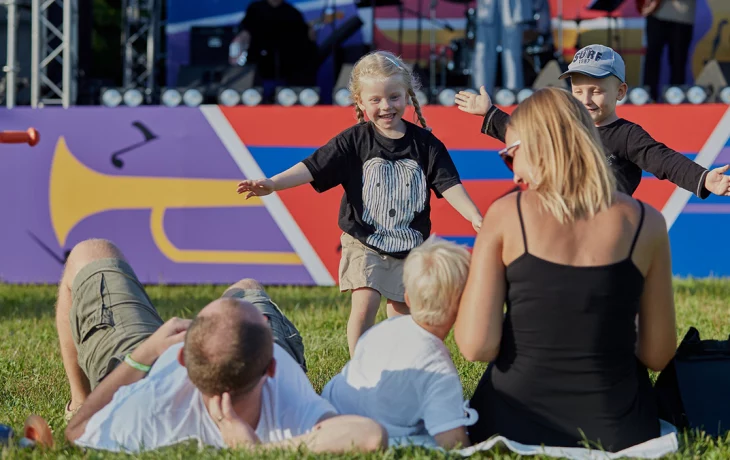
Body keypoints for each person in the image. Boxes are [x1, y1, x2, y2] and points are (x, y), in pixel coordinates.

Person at [453, 87, 678, 451]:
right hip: (621, 427)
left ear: (541, 147)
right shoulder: (645, 222)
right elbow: (658, 354)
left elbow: (476, 345)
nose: (513, 176)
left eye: (511, 156)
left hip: (512, 420)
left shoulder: (507, 214)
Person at [237, 51, 483, 357]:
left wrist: (473, 214)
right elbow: (313, 167)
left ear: (407, 95)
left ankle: (397, 366)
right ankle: (359, 365)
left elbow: (449, 184)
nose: (386, 106)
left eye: (394, 97)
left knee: (403, 314)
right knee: (365, 301)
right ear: (360, 101)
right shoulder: (353, 141)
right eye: (376, 100)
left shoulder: (426, 144)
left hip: (410, 247)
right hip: (363, 241)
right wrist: (272, 183)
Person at [57, 238, 387, 453]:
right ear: (272, 367)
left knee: (90, 252)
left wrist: (145, 353)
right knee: (245, 287)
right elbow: (370, 435)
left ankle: (77, 396)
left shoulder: (145, 408)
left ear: (183, 356)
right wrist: (255, 450)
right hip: (243, 373)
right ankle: (242, 299)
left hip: (148, 365)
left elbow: (77, 429)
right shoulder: (285, 392)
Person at [455, 44, 730, 198]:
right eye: (577, 91)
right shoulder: (562, 127)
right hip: (563, 224)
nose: (586, 99)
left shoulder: (627, 135)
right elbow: (524, 134)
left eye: (596, 91)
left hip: (610, 228)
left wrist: (705, 179)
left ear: (620, 92)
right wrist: (490, 114)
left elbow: (664, 160)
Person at [321, 236, 477, 449]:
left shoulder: (379, 332)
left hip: (329, 410)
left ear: (408, 298)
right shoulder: (437, 369)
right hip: (370, 432)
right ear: (462, 308)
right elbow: (452, 441)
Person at [229, 0, 319, 92]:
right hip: (259, 64)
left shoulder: (292, 12)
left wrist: (309, 32)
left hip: (286, 68)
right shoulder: (256, 9)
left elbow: (304, 38)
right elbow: (245, 32)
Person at [470, 0, 533, 94]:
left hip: (512, 5)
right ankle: (481, 94)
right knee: (483, 53)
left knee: (512, 54)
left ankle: (512, 95)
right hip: (487, 6)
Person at [640, 0, 697, 102]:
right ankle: (646, 99)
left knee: (678, 61)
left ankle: (676, 99)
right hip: (655, 13)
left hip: (681, 16)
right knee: (651, 59)